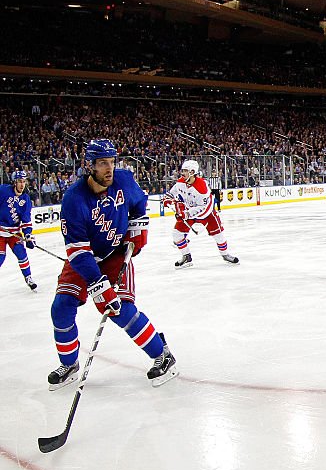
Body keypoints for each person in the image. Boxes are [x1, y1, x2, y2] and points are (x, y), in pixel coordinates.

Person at [48, 139, 177, 390]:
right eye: (103, 163)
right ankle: (69, 364)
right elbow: (78, 251)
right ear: (90, 166)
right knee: (61, 307)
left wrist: (138, 231)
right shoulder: (74, 200)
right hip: (85, 260)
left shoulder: (124, 180)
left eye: (112, 162)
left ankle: (163, 355)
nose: (109, 168)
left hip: (117, 254)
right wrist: (97, 284)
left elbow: (139, 203)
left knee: (121, 309)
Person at [164, 160, 239, 269]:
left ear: (192, 172)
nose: (182, 173)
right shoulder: (180, 182)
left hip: (207, 214)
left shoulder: (202, 187)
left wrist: (187, 214)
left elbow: (203, 208)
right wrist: (167, 199)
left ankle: (225, 254)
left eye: (185, 171)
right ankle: (186, 257)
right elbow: (172, 192)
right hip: (189, 212)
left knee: (219, 235)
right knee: (177, 235)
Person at [0, 170, 37, 291]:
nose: (22, 184)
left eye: (24, 182)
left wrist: (28, 235)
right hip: (0, 233)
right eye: (20, 181)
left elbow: (26, 220)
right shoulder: (3, 190)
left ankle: (28, 277)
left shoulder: (26, 199)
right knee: (1, 257)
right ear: (14, 182)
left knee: (22, 254)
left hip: (14, 233)